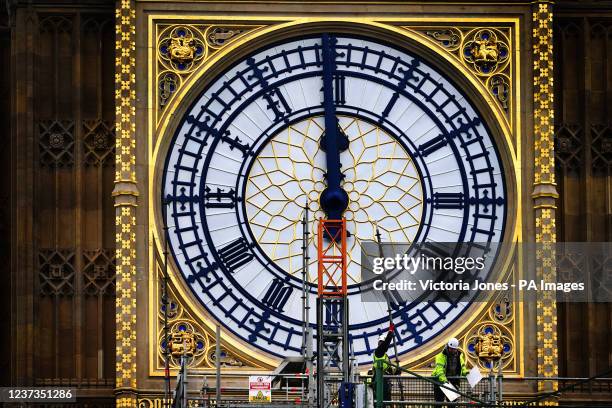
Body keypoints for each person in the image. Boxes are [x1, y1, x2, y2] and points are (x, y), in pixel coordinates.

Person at [431, 337, 469, 405]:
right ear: (448, 346)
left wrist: (466, 373)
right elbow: (439, 371)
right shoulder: (440, 356)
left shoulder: (459, 356)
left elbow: (462, 367)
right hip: (440, 382)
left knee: (452, 403)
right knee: (439, 402)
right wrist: (445, 381)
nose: (453, 350)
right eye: (451, 349)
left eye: (454, 349)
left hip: (452, 382)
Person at [371, 322, 398, 405]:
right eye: (381, 342)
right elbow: (386, 344)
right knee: (381, 401)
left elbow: (390, 369)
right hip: (380, 379)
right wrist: (390, 331)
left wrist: (397, 369)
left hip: (384, 379)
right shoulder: (379, 352)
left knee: (386, 401)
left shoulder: (383, 355)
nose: (381, 344)